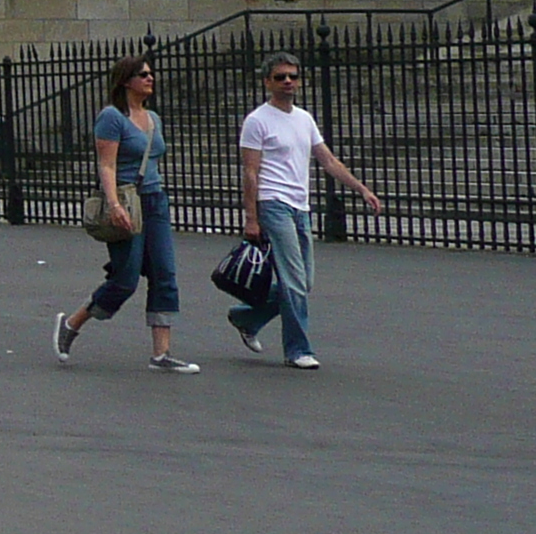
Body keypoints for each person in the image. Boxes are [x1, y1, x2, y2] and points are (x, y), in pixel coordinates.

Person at [231, 54, 384, 370]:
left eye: (292, 76)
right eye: (280, 77)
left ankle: (248, 316)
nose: (288, 81)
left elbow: (328, 160)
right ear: (267, 82)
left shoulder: (304, 118)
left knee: (303, 281)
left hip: (301, 205)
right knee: (294, 280)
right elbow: (250, 172)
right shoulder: (257, 121)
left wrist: (361, 189)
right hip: (273, 202)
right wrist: (251, 217)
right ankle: (298, 349)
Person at [54, 55, 196, 373]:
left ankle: (162, 354)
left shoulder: (153, 118)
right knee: (126, 280)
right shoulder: (112, 117)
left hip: (154, 200)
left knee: (164, 274)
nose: (150, 78)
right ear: (125, 81)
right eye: (142, 74)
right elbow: (106, 164)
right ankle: (73, 323)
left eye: (151, 73)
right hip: (126, 198)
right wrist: (115, 204)